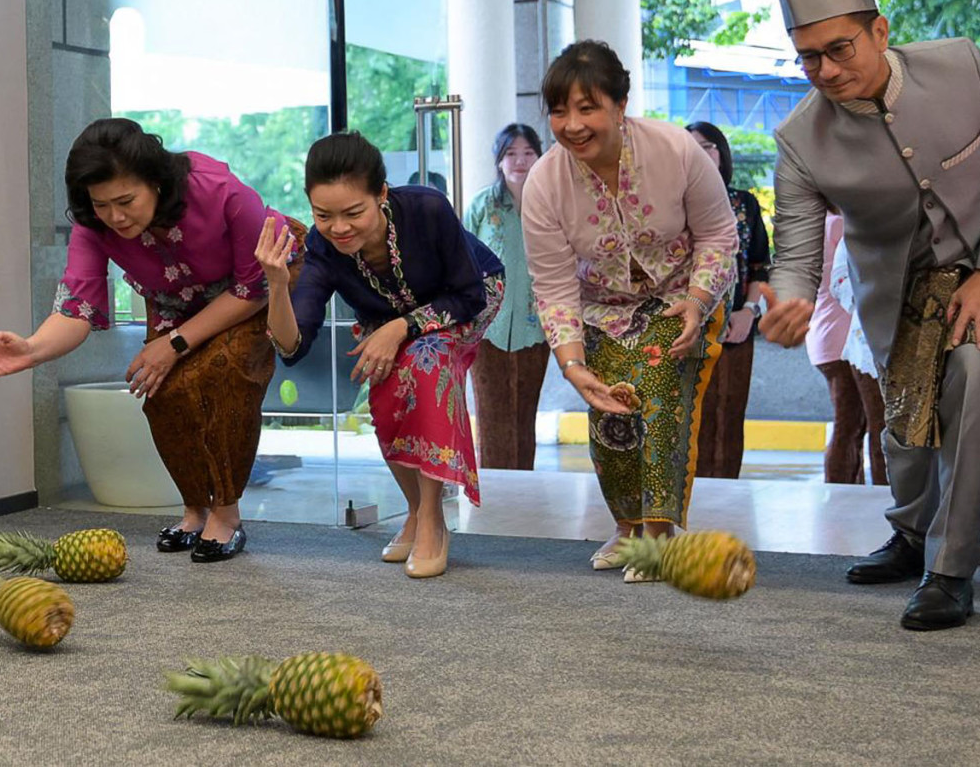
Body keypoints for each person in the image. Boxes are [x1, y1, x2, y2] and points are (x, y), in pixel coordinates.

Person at [760, 0, 980, 630]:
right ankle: (908, 533)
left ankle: (952, 569)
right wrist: (786, 299)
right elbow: (795, 245)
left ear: (879, 31)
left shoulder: (964, 67)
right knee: (906, 417)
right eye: (808, 57)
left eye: (839, 49)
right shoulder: (798, 139)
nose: (826, 70)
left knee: (974, 375)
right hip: (898, 287)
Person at [0, 118, 304, 563]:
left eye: (126, 201)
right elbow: (77, 309)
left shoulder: (219, 190)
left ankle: (227, 516)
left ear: (156, 183)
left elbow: (249, 289)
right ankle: (195, 511)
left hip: (261, 278)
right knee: (161, 390)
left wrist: (174, 344)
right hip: (175, 296)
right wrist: (31, 348)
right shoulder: (95, 226)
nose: (116, 217)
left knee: (223, 376)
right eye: (102, 204)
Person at [520, 40, 739, 580]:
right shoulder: (544, 184)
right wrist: (574, 366)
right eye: (559, 110)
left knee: (657, 385)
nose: (572, 124)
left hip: (681, 293)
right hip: (600, 310)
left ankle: (659, 537)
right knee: (609, 407)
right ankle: (626, 527)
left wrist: (698, 300)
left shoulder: (676, 151)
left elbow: (718, 233)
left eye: (587, 107)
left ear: (621, 105)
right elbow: (552, 287)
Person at [255, 131, 504, 579]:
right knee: (383, 381)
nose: (339, 228)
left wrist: (401, 327)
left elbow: (468, 294)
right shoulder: (320, 247)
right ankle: (414, 511)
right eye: (323, 215)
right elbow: (293, 346)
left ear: (382, 194)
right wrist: (276, 284)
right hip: (386, 317)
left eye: (354, 212)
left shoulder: (427, 208)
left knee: (426, 361)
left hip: (468, 295)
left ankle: (433, 520)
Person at [686, 121, 771, 479]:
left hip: (737, 324)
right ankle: (692, 494)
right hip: (687, 327)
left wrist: (748, 312)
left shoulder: (745, 203)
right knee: (693, 413)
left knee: (730, 412)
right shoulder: (673, 205)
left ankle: (727, 490)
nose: (701, 154)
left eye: (707, 146)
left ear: (721, 153)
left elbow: (760, 266)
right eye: (691, 148)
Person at [465, 123, 549, 470]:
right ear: (499, 160)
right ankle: (493, 488)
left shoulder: (549, 205)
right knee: (490, 413)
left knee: (525, 412)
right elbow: (461, 258)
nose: (520, 161)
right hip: (488, 328)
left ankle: (524, 486)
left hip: (537, 327)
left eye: (528, 153)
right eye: (511, 153)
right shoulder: (483, 204)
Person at [806, 210, 887, 486]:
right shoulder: (838, 224)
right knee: (857, 425)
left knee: (855, 425)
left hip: (828, 335)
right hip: (845, 338)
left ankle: (850, 493)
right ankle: (848, 492)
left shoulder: (818, 223)